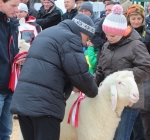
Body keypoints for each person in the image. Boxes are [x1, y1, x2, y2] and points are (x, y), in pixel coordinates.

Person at [10, 14, 98, 140]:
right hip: (45, 106)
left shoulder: (48, 32)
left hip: (24, 101)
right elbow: (80, 74)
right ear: (82, 31)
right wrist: (94, 92)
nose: (85, 42)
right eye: (87, 37)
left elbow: (52, 68)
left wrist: (70, 84)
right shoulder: (71, 38)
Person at [95, 5, 150, 140]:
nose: (108, 38)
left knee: (120, 136)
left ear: (122, 32)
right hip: (111, 99)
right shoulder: (106, 46)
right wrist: (91, 86)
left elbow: (147, 69)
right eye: (106, 34)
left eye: (112, 35)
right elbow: (100, 69)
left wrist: (122, 76)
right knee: (135, 131)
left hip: (128, 100)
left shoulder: (136, 45)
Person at [125, 4, 150, 140]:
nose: (136, 21)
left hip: (144, 77)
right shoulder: (123, 34)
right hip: (127, 77)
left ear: (143, 19)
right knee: (128, 108)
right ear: (128, 19)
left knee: (145, 109)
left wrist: (144, 67)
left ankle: (148, 136)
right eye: (133, 18)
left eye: (139, 18)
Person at [0, 0, 20, 139]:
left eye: (18, 5)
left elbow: (12, 51)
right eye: (13, 5)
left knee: (6, 132)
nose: (17, 9)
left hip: (9, 86)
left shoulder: (11, 22)